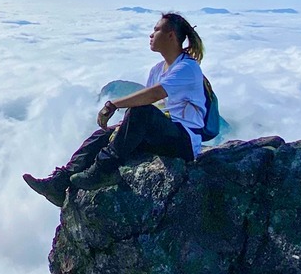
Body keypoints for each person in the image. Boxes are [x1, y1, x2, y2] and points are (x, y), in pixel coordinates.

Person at [23, 12, 207, 206]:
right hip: (163, 133)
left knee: (140, 110)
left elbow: (153, 97)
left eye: (156, 30)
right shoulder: (157, 69)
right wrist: (124, 125)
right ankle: (60, 183)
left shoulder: (187, 68)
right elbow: (154, 107)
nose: (151, 35)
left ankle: (103, 170)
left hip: (184, 141)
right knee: (102, 135)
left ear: (171, 36)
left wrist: (113, 105)